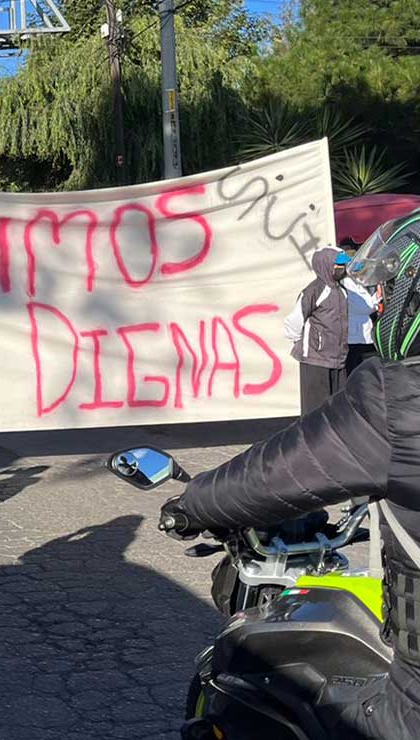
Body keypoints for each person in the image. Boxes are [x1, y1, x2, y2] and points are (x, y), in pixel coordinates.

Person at [160, 213, 420, 739]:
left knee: (274, 689)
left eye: (390, 289)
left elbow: (277, 471)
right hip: (327, 366)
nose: (381, 302)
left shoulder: (400, 400)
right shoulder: (322, 300)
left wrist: (191, 506)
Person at [284, 248, 349, 414]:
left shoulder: (342, 291)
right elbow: (294, 320)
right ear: (327, 265)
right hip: (316, 360)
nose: (342, 268)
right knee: (315, 410)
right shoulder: (314, 290)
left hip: (338, 358)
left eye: (343, 264)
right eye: (338, 265)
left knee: (338, 407)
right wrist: (303, 344)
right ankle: (312, 439)